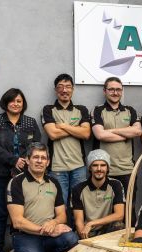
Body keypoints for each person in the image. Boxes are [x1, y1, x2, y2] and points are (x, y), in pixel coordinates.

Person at [5, 142, 78, 252]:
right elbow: (17, 221)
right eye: (36, 157)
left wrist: (53, 223)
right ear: (27, 160)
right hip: (25, 236)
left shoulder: (54, 183)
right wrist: (45, 231)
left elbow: (62, 216)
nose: (39, 161)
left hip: (48, 236)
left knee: (71, 238)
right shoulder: (16, 182)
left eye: (43, 158)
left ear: (48, 162)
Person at [0, 88, 41, 252]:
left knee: (21, 213)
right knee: (0, 213)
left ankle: (20, 248)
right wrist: (13, 160)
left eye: (19, 101)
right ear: (5, 103)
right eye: (12, 101)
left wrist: (23, 161)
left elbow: (36, 145)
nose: (16, 104)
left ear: (23, 104)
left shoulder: (30, 122)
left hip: (24, 175)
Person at [91, 77, 141, 225]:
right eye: (111, 89)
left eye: (118, 89)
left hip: (127, 169)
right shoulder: (98, 110)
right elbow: (100, 135)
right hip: (105, 170)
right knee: (106, 210)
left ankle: (131, 242)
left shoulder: (130, 110)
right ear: (105, 91)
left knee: (129, 209)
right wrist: (126, 132)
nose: (115, 92)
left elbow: (137, 132)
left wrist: (110, 131)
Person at [41, 73, 91, 220]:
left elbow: (86, 133)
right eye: (61, 87)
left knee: (79, 202)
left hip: (79, 166)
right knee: (60, 203)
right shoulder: (48, 109)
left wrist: (62, 126)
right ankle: (64, 234)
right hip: (57, 167)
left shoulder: (81, 109)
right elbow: (52, 134)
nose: (64, 90)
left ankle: (79, 233)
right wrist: (76, 128)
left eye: (68, 87)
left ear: (73, 89)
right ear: (56, 90)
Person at [72, 149, 125, 239]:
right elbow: (78, 221)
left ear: (107, 168)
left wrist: (92, 223)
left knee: (118, 225)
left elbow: (119, 215)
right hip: (86, 231)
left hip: (107, 230)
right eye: (95, 165)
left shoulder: (116, 185)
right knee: (72, 238)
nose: (99, 169)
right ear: (89, 167)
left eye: (103, 165)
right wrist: (85, 238)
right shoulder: (78, 188)